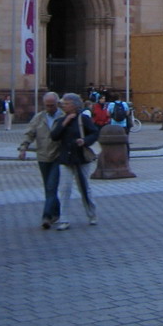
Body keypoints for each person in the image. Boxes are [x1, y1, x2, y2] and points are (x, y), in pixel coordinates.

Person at [49, 92, 99, 230]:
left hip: (81, 158)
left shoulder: (83, 119)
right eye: (63, 103)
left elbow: (94, 133)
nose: (64, 106)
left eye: (67, 103)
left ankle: (92, 214)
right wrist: (65, 122)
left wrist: (84, 141)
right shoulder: (61, 119)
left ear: (75, 105)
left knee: (84, 187)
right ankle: (64, 219)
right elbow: (54, 136)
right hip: (65, 158)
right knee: (65, 189)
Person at [18, 92, 64, 229]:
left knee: (51, 186)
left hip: (58, 156)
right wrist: (23, 147)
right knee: (48, 187)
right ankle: (56, 212)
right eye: (47, 105)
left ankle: (46, 216)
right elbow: (30, 133)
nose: (49, 108)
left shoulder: (63, 117)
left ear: (57, 104)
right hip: (43, 156)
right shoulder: (39, 117)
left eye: (52, 105)